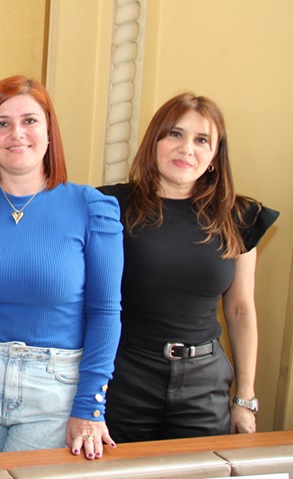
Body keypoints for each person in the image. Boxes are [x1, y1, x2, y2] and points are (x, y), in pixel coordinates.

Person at [0, 76, 123, 460]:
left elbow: (106, 312)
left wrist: (91, 405)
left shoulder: (92, 208)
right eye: (2, 123)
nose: (16, 133)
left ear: (49, 132)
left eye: (30, 121)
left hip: (56, 388)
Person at [98, 93, 278, 442]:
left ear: (214, 156)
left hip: (204, 384)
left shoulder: (239, 217)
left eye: (201, 140)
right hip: (125, 375)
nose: (187, 149)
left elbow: (240, 309)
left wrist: (245, 398)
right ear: (155, 142)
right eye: (175, 134)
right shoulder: (110, 206)